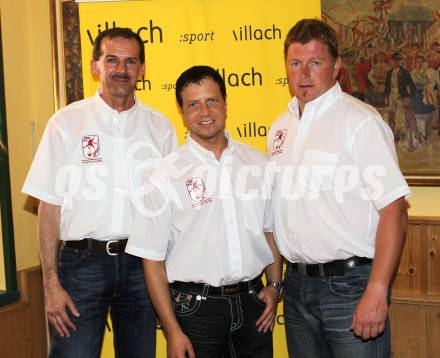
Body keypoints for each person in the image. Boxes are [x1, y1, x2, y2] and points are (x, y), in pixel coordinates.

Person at [22, 27, 178, 357]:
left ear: (142, 69)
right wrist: (51, 284)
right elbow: (48, 209)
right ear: (95, 66)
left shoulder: (160, 127)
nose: (121, 70)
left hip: (143, 266)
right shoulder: (65, 124)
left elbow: (170, 211)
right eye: (112, 60)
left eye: (130, 61)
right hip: (81, 267)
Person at [268, 19, 410, 358]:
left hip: (350, 286)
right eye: (295, 63)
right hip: (297, 285)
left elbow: (395, 209)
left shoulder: (360, 122)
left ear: (336, 67)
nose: (303, 74)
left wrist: (377, 290)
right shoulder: (279, 127)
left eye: (315, 63)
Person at [126, 65, 282, 358]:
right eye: (193, 104)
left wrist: (274, 286)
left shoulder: (258, 163)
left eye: (212, 100)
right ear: (182, 113)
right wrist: (172, 330)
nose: (204, 111)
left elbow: (270, 233)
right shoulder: (164, 175)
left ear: (225, 102)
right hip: (195, 310)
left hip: (254, 304)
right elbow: (152, 262)